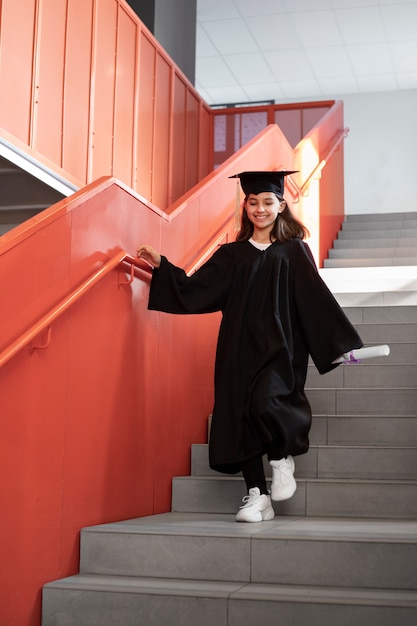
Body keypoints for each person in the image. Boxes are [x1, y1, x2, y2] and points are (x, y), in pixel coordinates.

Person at [137, 170, 363, 523]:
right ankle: (258, 495)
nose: (260, 209)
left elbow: (315, 299)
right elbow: (196, 289)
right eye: (253, 202)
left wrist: (339, 344)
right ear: (245, 206)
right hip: (238, 348)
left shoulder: (293, 251)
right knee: (240, 414)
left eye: (267, 202)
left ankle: (280, 458)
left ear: (281, 205)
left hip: (281, 347)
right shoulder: (232, 255)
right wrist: (162, 267)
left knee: (267, 401)